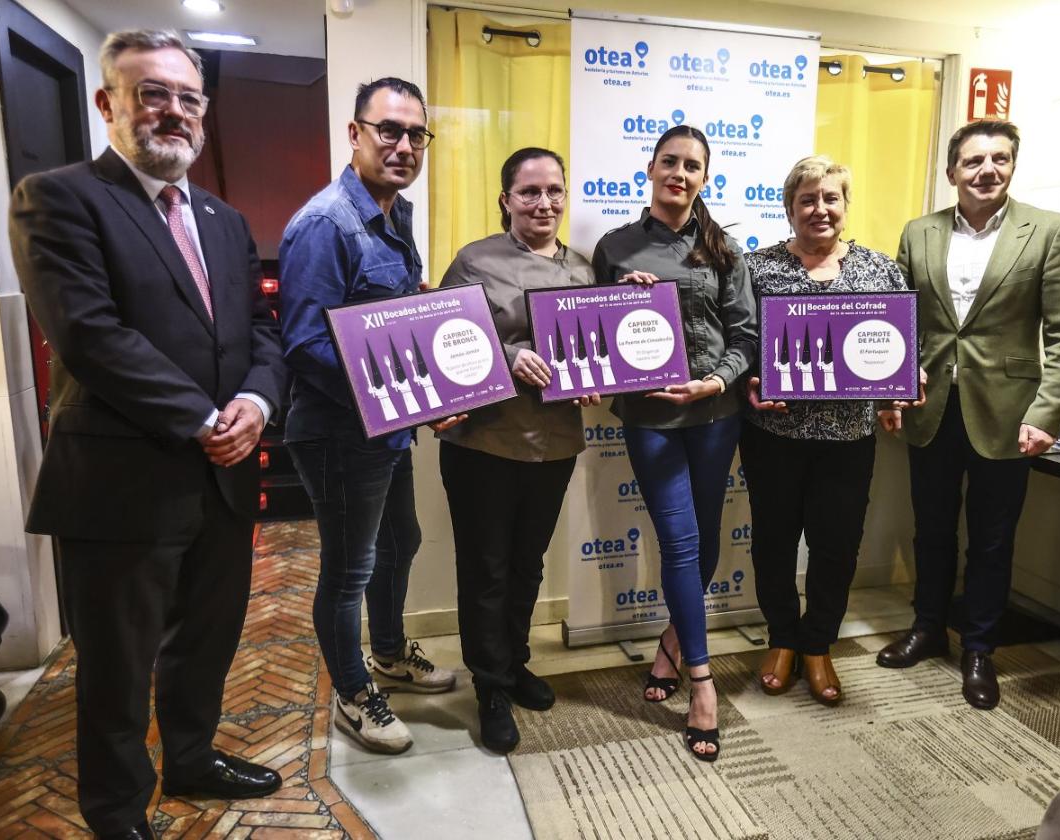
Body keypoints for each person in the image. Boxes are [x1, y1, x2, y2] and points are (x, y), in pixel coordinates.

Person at [9, 30, 286, 839]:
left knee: (207, 638)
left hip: (225, 477)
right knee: (117, 666)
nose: (172, 111)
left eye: (188, 97)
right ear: (108, 104)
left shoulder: (225, 220)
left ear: (204, 113)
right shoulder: (56, 197)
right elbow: (90, 335)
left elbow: (260, 330)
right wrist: (204, 418)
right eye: (151, 93)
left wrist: (258, 406)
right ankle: (116, 810)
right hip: (121, 484)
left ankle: (193, 758)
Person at [877, 119, 1060, 710]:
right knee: (933, 528)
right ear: (952, 172)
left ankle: (978, 648)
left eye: (998, 159)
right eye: (973, 161)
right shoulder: (919, 233)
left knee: (993, 540)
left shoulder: (1050, 231)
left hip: (1009, 412)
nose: (986, 170)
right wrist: (893, 388)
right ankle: (926, 628)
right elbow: (900, 323)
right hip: (931, 407)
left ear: (1012, 166)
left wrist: (1048, 412)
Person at [279, 77, 455, 756]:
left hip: (384, 425)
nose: (405, 145)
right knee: (350, 568)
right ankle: (354, 693)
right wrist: (408, 391)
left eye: (417, 134)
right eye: (390, 130)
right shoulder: (327, 223)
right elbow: (305, 343)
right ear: (355, 134)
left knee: (401, 541)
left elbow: (383, 314)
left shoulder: (394, 213)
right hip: (337, 430)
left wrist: (430, 311)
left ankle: (386, 652)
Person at [592, 125, 757, 762]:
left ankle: (668, 644)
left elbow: (745, 338)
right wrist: (613, 301)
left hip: (715, 418)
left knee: (708, 539)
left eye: (692, 166)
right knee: (681, 541)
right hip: (650, 421)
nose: (679, 174)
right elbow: (592, 334)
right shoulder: (615, 246)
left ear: (704, 178)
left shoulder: (724, 250)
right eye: (670, 162)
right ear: (651, 168)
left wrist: (715, 380)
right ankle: (702, 681)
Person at [437, 148, 598, 754]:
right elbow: (445, 341)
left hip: (553, 444)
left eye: (554, 190)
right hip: (484, 443)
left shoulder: (584, 269)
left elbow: (599, 341)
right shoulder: (475, 261)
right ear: (506, 198)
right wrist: (508, 357)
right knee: (487, 569)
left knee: (527, 564)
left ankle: (515, 661)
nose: (544, 203)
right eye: (529, 192)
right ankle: (489, 686)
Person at [740, 156, 915, 706]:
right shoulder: (756, 268)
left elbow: (894, 345)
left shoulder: (880, 269)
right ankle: (782, 639)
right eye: (807, 200)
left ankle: (818, 645)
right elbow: (739, 341)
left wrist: (902, 383)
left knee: (836, 547)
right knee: (772, 543)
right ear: (790, 208)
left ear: (846, 205)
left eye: (830, 198)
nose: (820, 209)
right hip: (774, 435)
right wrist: (748, 377)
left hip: (848, 438)